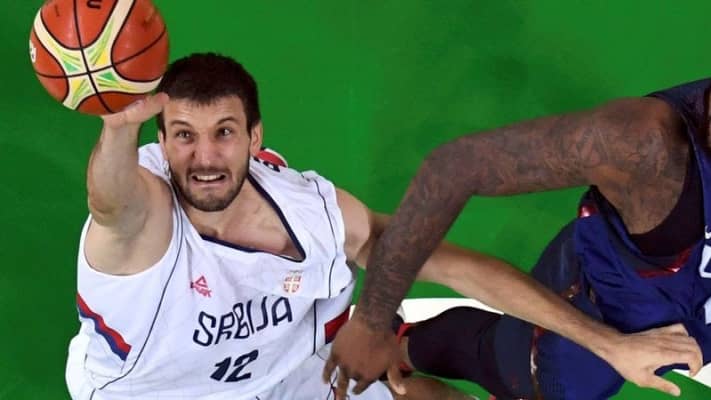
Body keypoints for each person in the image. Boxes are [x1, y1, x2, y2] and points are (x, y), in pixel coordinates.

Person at [64, 52, 698, 399]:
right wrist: (117, 127)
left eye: (223, 133)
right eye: (183, 136)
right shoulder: (143, 223)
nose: (204, 158)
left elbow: (454, 265)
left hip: (289, 378)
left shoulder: (312, 211)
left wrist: (608, 344)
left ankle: (407, 347)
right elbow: (110, 203)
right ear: (160, 143)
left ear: (255, 138)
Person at [325, 78, 711, 399]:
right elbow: (453, 169)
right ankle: (401, 349)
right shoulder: (646, 145)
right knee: (511, 364)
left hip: (687, 315)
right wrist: (371, 323)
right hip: (598, 316)